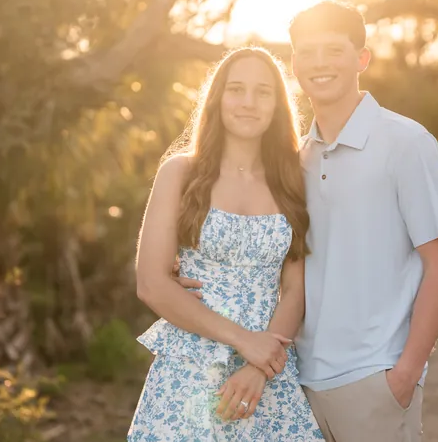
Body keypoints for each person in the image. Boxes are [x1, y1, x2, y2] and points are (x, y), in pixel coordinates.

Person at [177, 0, 438, 441]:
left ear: (361, 58)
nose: (319, 63)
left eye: (334, 50)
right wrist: (191, 270)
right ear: (294, 64)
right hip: (294, 381)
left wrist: (405, 373)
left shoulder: (406, 142)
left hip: (373, 379)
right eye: (307, 52)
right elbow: (273, 257)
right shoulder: (295, 162)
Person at [128, 47, 325, 441]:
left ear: (277, 105)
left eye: (262, 92)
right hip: (190, 368)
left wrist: (259, 366)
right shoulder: (180, 172)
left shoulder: (294, 179)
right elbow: (151, 283)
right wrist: (245, 342)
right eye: (236, 89)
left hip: (268, 375)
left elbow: (295, 288)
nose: (249, 103)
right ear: (217, 99)